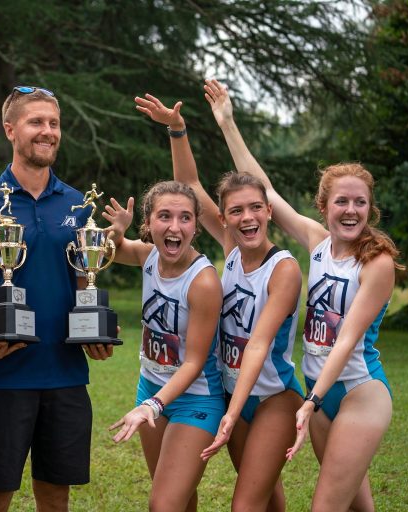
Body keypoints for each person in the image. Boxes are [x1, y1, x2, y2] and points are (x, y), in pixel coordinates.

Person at [204, 78, 401, 511]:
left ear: (370, 208)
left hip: (358, 389)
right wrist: (228, 123)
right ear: (323, 206)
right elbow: (266, 191)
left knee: (325, 504)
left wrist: (311, 401)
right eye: (342, 202)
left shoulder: (377, 262)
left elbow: (346, 340)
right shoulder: (318, 243)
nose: (351, 210)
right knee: (357, 504)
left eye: (360, 203)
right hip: (319, 389)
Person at [134, 93, 304, 511]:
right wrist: (177, 131)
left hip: (272, 397)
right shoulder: (231, 251)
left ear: (269, 212)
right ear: (224, 219)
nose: (247, 218)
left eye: (256, 208)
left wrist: (232, 411)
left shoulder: (283, 268)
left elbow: (258, 345)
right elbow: (190, 187)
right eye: (237, 211)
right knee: (267, 500)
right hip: (232, 392)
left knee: (246, 504)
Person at [0, 86, 113, 512]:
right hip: (4, 376)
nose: (48, 131)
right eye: (36, 122)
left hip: (66, 376)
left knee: (56, 498)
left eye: (54, 123)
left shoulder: (78, 205)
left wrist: (93, 330)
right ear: (10, 130)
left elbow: (85, 281)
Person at [105, 181, 225, 512]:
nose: (175, 227)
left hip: (195, 398)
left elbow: (194, 363)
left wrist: (153, 405)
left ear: (196, 226)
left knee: (163, 504)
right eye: (164, 216)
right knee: (179, 499)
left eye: (185, 218)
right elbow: (110, 252)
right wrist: (116, 232)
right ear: (148, 223)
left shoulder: (203, 281)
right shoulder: (149, 256)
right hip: (151, 386)